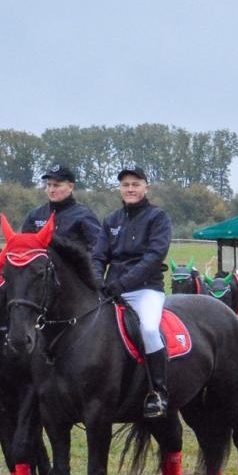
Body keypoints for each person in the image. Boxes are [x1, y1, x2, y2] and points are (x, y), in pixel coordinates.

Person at [94, 165, 173, 418]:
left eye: (135, 184)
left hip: (145, 290)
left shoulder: (158, 218)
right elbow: (97, 256)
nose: (130, 189)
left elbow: (153, 257)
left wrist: (123, 283)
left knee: (149, 329)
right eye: (125, 185)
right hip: (111, 290)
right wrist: (97, 280)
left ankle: (158, 392)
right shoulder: (111, 221)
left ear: (145, 187)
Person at [24, 163, 104, 254]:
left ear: (70, 187)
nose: (51, 190)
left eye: (56, 185)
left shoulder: (84, 216)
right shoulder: (35, 215)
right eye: (49, 185)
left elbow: (98, 251)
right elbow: (23, 247)